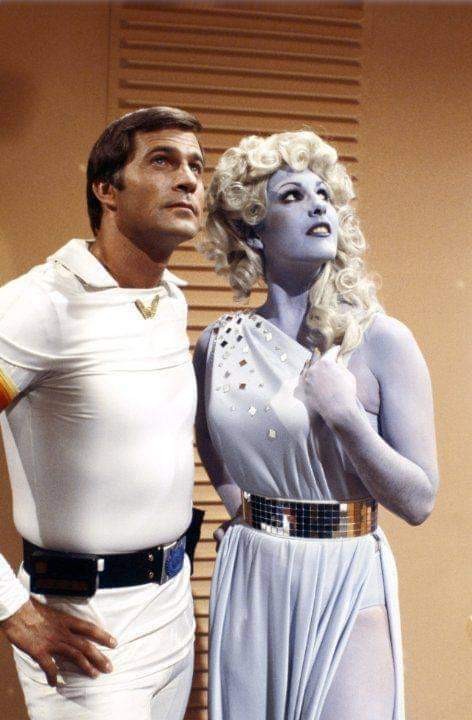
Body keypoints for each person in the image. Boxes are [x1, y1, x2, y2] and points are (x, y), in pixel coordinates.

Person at [193, 130, 439, 720]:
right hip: (253, 573)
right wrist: (247, 515)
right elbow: (209, 439)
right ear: (253, 229)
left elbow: (419, 500)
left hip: (346, 572)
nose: (317, 205)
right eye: (292, 196)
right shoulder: (218, 343)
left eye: (324, 194)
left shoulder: (381, 340)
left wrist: (348, 418)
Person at [0, 106, 205, 719]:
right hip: (87, 631)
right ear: (106, 190)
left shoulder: (167, 298)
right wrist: (9, 609)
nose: (189, 179)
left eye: (196, 166)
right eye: (163, 161)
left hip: (174, 611)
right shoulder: (37, 307)